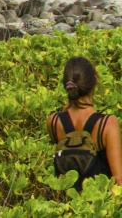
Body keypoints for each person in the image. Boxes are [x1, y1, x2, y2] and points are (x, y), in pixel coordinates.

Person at [48, 57, 122, 190]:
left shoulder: (53, 121)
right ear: (94, 82)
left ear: (66, 85)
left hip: (67, 205)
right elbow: (119, 180)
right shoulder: (107, 124)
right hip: (99, 206)